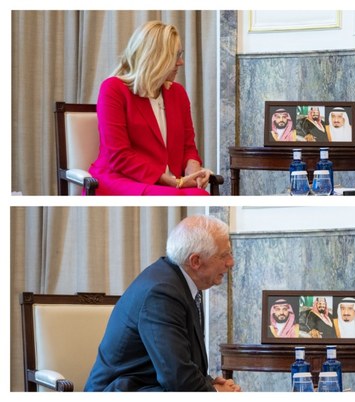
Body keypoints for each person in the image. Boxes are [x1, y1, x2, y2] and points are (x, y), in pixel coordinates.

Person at [85, 215, 241, 392]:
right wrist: (215, 392)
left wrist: (210, 383)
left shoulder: (181, 283)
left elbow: (180, 360)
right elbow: (176, 376)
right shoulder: (162, 293)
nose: (231, 262)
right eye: (223, 255)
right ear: (195, 261)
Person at [88, 21, 213, 195]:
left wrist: (194, 171)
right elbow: (118, 155)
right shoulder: (113, 89)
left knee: (200, 194)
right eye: (176, 56)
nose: (181, 62)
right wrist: (166, 179)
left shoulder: (178, 93)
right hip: (122, 179)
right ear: (156, 58)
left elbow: (188, 146)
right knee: (185, 196)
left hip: (168, 182)